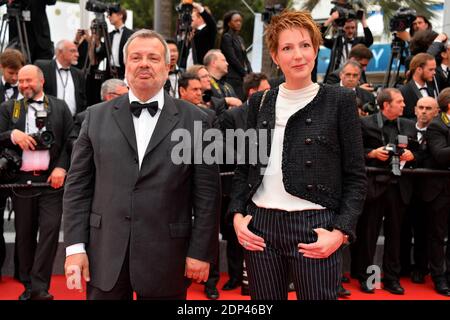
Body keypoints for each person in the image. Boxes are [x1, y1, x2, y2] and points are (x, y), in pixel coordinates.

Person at [63, 29, 221, 300]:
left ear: (167, 65)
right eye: (136, 57)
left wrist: (200, 251)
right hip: (106, 253)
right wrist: (75, 247)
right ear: (126, 65)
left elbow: (208, 194)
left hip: (168, 255)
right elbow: (77, 187)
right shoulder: (95, 117)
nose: (144, 63)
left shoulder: (199, 121)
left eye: (153, 57)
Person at [228, 10, 367, 300]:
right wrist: (238, 216)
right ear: (275, 56)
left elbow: (356, 177)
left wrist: (340, 233)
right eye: (287, 48)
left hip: (315, 226)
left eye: (305, 45)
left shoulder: (339, 99)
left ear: (316, 49)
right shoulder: (259, 101)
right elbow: (244, 168)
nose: (298, 55)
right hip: (260, 228)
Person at [0, 64, 74, 300]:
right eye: (20, 81)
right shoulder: (10, 108)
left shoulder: (59, 107)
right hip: (21, 183)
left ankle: (39, 286)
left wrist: (62, 167)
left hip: (51, 183)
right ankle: (28, 284)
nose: (23, 85)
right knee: (24, 236)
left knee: (50, 231)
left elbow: (71, 139)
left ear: (42, 81)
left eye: (28, 81)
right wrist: (12, 135)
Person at [351, 88, 418, 295]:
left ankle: (392, 279)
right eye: (399, 101)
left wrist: (411, 155)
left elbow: (422, 153)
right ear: (386, 105)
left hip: (399, 187)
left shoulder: (407, 125)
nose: (404, 105)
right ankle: (366, 277)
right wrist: (372, 153)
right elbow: (353, 152)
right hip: (374, 186)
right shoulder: (366, 123)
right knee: (368, 234)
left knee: (396, 235)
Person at [399, 96, 438, 286]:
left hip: (429, 190)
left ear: (436, 112)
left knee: (424, 231)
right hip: (405, 188)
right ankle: (403, 266)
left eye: (428, 108)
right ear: (414, 110)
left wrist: (416, 157)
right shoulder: (404, 128)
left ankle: (421, 268)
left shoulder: (440, 132)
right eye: (421, 107)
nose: (424, 111)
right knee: (403, 229)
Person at [422, 88, 450, 296]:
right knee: (437, 235)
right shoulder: (436, 125)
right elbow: (440, 155)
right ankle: (439, 276)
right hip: (439, 190)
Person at [34, 40, 87, 117]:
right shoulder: (43, 67)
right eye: (73, 51)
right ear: (60, 52)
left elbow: (82, 99)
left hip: (73, 122)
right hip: (49, 120)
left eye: (77, 51)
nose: (77, 54)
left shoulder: (79, 74)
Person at [321, 9, 373, 80]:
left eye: (353, 28)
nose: (350, 31)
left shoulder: (359, 42)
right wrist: (331, 19)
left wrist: (363, 21)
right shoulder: (336, 41)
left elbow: (370, 40)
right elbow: (319, 37)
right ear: (343, 28)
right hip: (337, 76)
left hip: (355, 76)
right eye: (347, 28)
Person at [220, 10, 252, 101]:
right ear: (229, 23)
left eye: (240, 21)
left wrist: (250, 72)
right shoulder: (226, 37)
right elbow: (232, 58)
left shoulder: (240, 39)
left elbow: (245, 58)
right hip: (232, 77)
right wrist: (244, 73)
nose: (239, 23)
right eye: (236, 21)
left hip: (241, 77)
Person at [96, 7, 134, 79]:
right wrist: (97, 39)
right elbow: (101, 53)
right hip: (109, 73)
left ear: (120, 15)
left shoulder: (131, 34)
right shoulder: (109, 35)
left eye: (111, 14)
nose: (109, 17)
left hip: (124, 73)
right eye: (108, 15)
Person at [400, 53, 438, 119]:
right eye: (430, 69)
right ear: (419, 70)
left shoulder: (433, 88)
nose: (434, 72)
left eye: (434, 69)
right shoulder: (403, 92)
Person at [181, 2, 217, 69]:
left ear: (201, 18)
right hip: (189, 70)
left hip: (202, 69)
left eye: (192, 17)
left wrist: (198, 7)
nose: (190, 20)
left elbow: (211, 23)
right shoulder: (191, 32)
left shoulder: (208, 30)